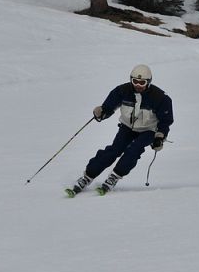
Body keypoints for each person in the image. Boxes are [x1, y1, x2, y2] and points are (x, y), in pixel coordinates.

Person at [67, 64, 174, 195]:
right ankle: (87, 176)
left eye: (142, 82)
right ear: (131, 79)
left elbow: (166, 120)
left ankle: (114, 176)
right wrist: (101, 112)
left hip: (149, 130)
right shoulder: (122, 91)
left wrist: (159, 137)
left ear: (149, 82)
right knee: (114, 150)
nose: (138, 85)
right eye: (135, 81)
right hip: (127, 128)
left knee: (134, 150)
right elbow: (108, 107)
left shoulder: (160, 98)